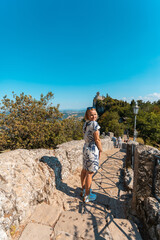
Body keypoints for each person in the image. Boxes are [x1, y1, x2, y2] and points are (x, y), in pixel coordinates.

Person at [80, 107, 102, 203]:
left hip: (86, 148)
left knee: (84, 170)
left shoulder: (86, 123)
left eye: (95, 114)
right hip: (92, 149)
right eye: (91, 115)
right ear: (87, 115)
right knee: (90, 173)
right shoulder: (94, 124)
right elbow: (97, 139)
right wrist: (100, 150)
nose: (94, 116)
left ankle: (84, 189)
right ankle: (87, 196)